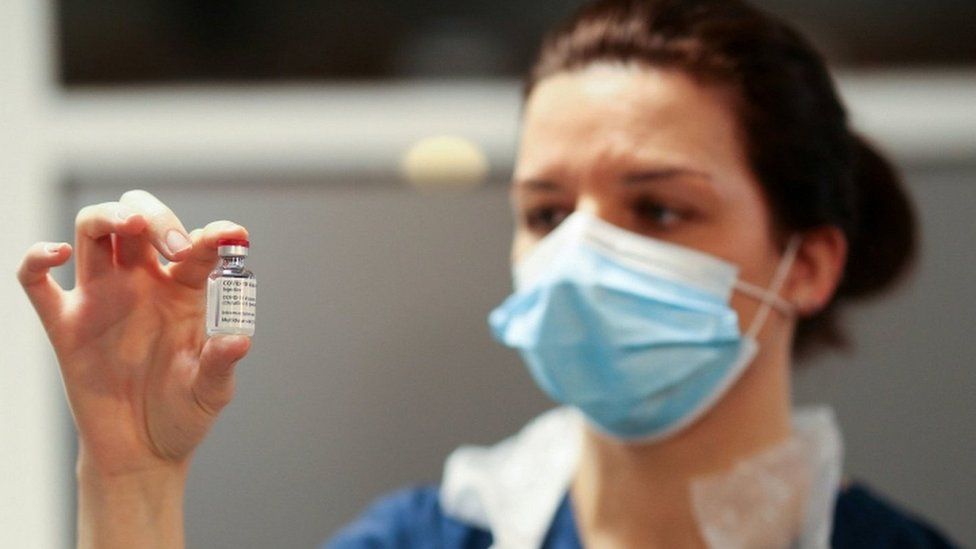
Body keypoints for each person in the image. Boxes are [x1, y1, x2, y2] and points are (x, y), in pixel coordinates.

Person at [18, 0, 957, 547]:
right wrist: (131, 477)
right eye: (547, 212)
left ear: (809, 263)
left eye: (660, 209)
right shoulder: (428, 540)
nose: (580, 252)